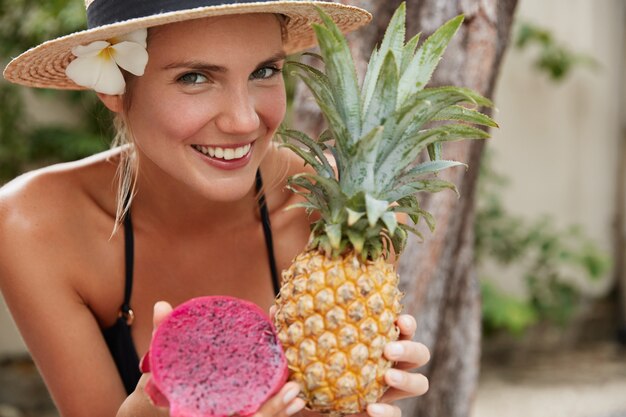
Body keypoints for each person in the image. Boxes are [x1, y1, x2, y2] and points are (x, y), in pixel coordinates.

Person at [0, 1, 431, 416]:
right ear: (112, 86)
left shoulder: (343, 217)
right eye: (194, 77)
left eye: (265, 71)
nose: (244, 120)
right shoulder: (33, 226)